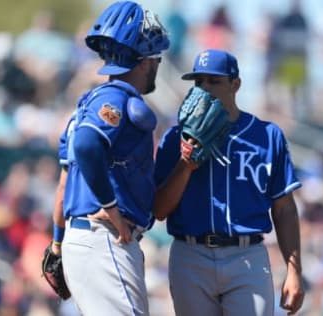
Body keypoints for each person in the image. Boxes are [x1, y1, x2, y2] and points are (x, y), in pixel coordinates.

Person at [154, 49, 305, 316]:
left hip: (247, 256)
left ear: (235, 85)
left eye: (214, 81)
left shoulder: (267, 136)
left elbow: (284, 208)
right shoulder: (175, 137)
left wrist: (294, 271)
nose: (205, 88)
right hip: (191, 255)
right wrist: (185, 167)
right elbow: (159, 210)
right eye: (199, 82)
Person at [50, 1, 169, 315]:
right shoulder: (115, 97)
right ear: (144, 61)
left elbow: (63, 188)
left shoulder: (83, 107)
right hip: (104, 238)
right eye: (156, 58)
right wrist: (112, 209)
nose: (157, 65)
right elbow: (88, 146)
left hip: (83, 237)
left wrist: (57, 244)